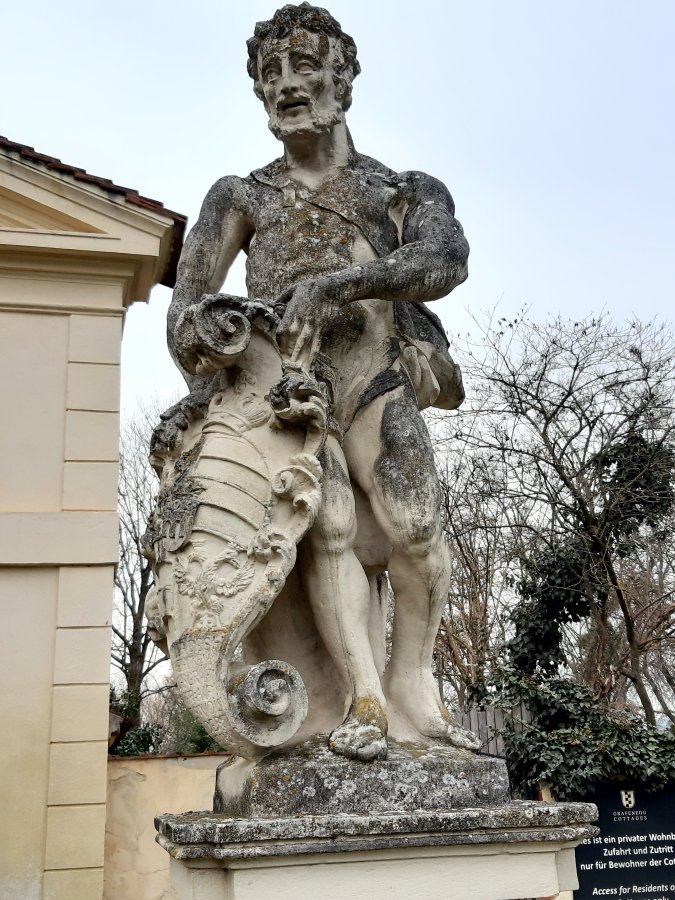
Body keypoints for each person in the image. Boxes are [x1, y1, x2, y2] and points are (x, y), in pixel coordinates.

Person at [165, 3, 478, 760]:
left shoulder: (399, 188)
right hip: (292, 393)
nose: (286, 85)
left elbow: (445, 260)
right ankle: (363, 699)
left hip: (375, 377)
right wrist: (219, 346)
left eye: (304, 66)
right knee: (330, 531)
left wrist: (337, 284)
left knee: (416, 527)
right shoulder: (240, 196)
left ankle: (412, 684)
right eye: (270, 74)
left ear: (342, 77)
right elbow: (183, 318)